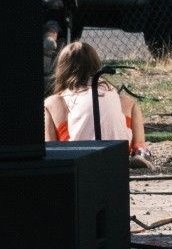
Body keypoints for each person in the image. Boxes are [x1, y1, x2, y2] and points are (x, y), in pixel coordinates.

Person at [43, 40, 149, 168]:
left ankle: (53, 152)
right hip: (118, 150)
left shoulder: (66, 95)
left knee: (49, 103)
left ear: (63, 68)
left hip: (77, 153)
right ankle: (140, 151)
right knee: (129, 103)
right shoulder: (109, 90)